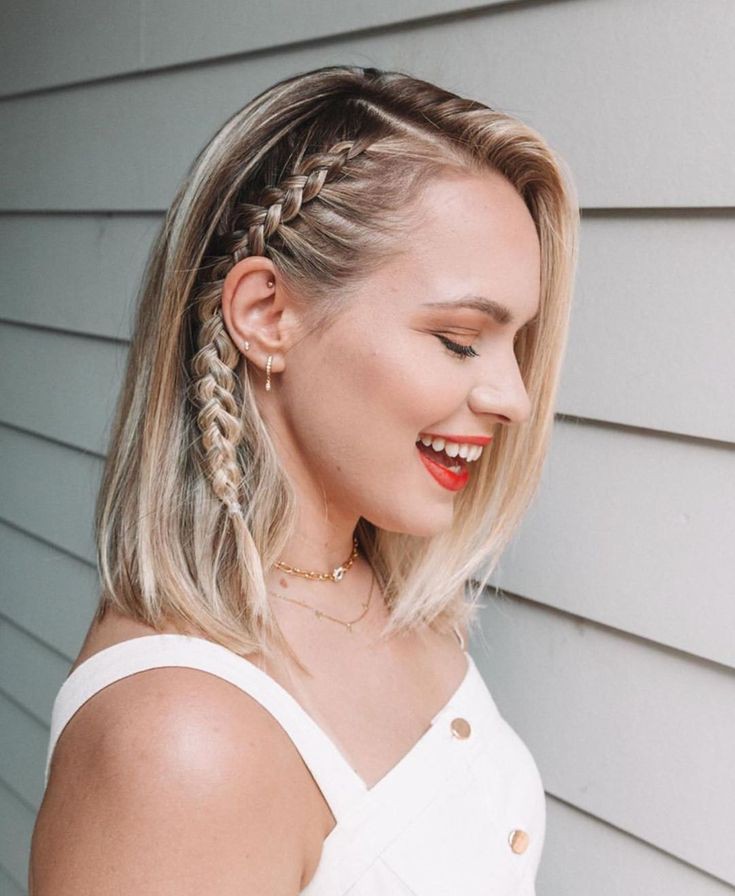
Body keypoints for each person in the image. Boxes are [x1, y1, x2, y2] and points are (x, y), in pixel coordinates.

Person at [28, 64, 579, 894]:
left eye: (515, 344)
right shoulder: (180, 741)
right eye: (460, 340)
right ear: (265, 315)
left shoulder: (372, 584)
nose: (514, 398)